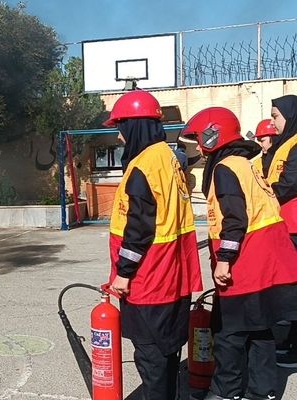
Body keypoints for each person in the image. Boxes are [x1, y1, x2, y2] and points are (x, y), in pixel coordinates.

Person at [181, 107, 297, 400]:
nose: (198, 146)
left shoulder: (225, 168)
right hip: (269, 262)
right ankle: (262, 392)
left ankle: (226, 391)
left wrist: (224, 260)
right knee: (260, 331)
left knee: (229, 334)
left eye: (198, 138)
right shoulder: (246, 164)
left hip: (247, 264)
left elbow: (235, 219)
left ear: (212, 134)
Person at [104, 90, 203, 400]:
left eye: (120, 128)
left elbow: (138, 230)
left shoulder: (142, 167)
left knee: (151, 359)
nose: (119, 138)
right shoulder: (170, 159)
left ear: (134, 127)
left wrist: (123, 273)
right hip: (174, 277)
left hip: (149, 281)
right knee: (169, 351)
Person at [260, 95, 297, 368]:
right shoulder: (283, 146)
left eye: (276, 116)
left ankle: (290, 347)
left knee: (289, 289)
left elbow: (288, 184)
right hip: (283, 225)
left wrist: (260, 198)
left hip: (294, 228)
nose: (273, 123)